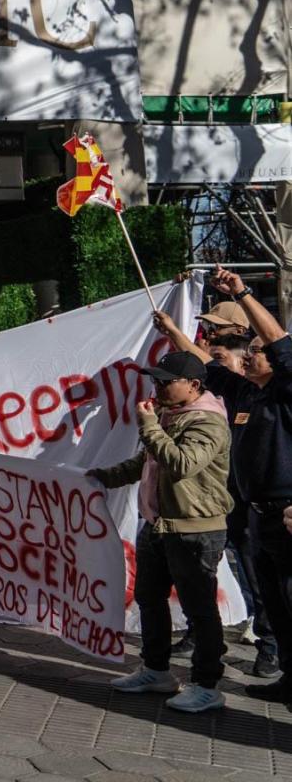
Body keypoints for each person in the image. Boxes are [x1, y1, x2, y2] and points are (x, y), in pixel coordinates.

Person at [164, 266, 292, 709]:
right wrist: (173, 333)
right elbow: (203, 369)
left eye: (257, 351)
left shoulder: (286, 391)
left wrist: (241, 293)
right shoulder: (246, 394)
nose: (250, 355)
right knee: (272, 600)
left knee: (289, 599)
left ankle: (279, 658)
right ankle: (287, 676)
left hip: (288, 514)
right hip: (256, 514)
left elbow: (280, 343)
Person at [85, 349, 232, 713]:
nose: (158, 388)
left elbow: (181, 464)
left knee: (200, 610)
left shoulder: (208, 422)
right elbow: (147, 462)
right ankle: (155, 670)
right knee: (149, 599)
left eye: (166, 382)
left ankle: (206, 683)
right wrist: (103, 478)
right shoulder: (170, 414)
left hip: (193, 529)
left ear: (193, 385)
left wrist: (149, 426)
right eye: (155, 381)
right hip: (158, 525)